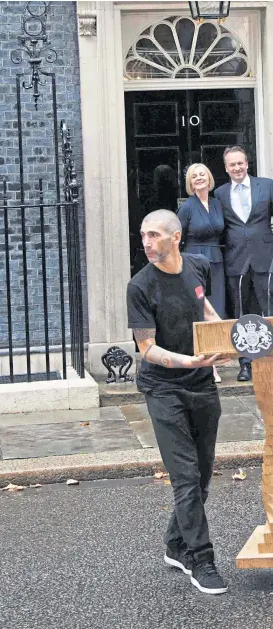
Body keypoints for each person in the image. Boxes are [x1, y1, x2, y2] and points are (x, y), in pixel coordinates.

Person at [126, 209, 229, 596]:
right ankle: (201, 559)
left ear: (176, 237)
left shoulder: (198, 267)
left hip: (202, 385)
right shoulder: (139, 286)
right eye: (143, 235)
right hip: (163, 389)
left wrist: (222, 339)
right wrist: (189, 360)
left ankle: (175, 544)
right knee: (185, 477)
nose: (147, 242)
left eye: (154, 235)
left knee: (201, 478)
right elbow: (147, 348)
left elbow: (203, 307)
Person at [214, 146, 273, 382]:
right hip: (236, 261)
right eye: (232, 165)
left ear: (247, 164)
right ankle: (246, 364)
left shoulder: (267, 185)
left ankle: (270, 360)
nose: (237, 168)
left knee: (269, 310)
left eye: (240, 163)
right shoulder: (219, 194)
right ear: (226, 168)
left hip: (265, 257)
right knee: (242, 314)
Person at [177, 164, 225, 383]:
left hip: (216, 262)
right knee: (201, 314)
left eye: (202, 174)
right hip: (195, 262)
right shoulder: (187, 207)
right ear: (190, 182)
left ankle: (214, 361)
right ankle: (207, 367)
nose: (198, 178)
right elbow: (176, 238)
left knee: (216, 312)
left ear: (209, 177)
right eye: (193, 176)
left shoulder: (217, 203)